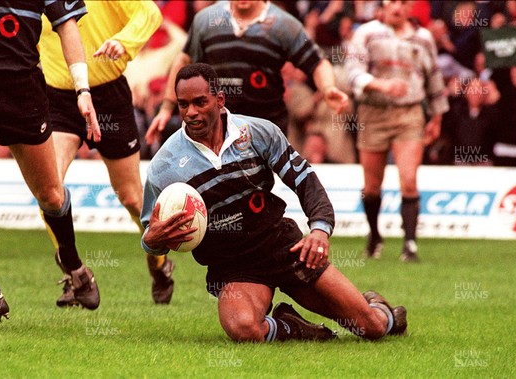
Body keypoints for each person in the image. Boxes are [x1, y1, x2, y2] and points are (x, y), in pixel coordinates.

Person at [140, 63, 407, 342]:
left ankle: (381, 312)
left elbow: (304, 179)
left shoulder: (258, 133)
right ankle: (293, 327)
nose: (191, 112)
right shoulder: (165, 165)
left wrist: (319, 229)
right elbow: (151, 230)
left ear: (220, 100)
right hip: (233, 267)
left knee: (372, 328)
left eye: (199, 102)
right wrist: (152, 241)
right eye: (183, 105)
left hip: (284, 247)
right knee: (243, 328)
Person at [0, 0, 102, 328]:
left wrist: (82, 90)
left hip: (21, 95)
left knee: (51, 196)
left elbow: (67, 25)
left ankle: (73, 264)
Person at [38, 1, 169, 305]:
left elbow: (149, 14)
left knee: (132, 198)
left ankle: (160, 262)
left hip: (108, 95)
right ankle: (76, 272)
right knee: (49, 189)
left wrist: (123, 41)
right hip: (57, 98)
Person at [145, 0, 348, 145]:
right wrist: (166, 108)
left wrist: (328, 87)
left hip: (266, 132)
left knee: (261, 201)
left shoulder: (283, 24)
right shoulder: (206, 20)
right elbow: (184, 61)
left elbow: (318, 63)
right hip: (216, 131)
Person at [346, 0, 449, 262]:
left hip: (410, 112)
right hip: (373, 112)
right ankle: (375, 235)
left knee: (409, 180)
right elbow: (352, 72)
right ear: (382, 6)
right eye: (391, 2)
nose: (397, 7)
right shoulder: (365, 32)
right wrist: (381, 85)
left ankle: (410, 244)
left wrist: (437, 116)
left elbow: (434, 77)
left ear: (409, 7)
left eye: (403, 2)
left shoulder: (423, 37)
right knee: (371, 186)